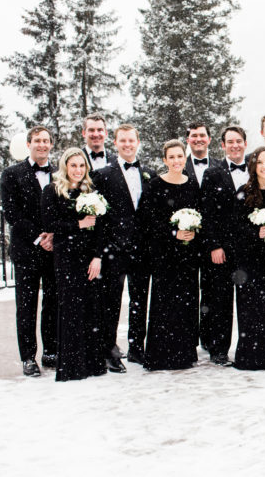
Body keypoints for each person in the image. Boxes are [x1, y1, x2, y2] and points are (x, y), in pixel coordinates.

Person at [91, 124, 155, 371]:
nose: (128, 144)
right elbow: (100, 218)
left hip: (141, 249)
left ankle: (137, 348)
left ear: (138, 142)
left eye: (132, 140)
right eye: (123, 141)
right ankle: (109, 350)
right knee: (111, 301)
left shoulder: (148, 174)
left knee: (140, 299)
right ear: (115, 143)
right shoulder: (103, 175)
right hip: (114, 250)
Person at [40, 148, 106, 381]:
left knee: (91, 307)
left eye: (81, 166)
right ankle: (72, 365)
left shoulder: (92, 191)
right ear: (65, 167)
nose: (78, 170)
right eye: (73, 165)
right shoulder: (53, 191)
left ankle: (92, 363)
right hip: (67, 257)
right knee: (70, 308)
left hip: (90, 257)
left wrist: (98, 257)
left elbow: (100, 228)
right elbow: (50, 223)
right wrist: (77, 224)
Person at [140, 140, 202, 371]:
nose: (176, 161)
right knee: (164, 303)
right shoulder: (155, 186)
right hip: (165, 254)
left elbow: (200, 215)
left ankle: (183, 353)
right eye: (172, 157)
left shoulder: (192, 185)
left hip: (187, 255)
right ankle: (161, 354)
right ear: (165, 160)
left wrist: (192, 232)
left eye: (179, 156)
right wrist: (173, 233)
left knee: (186, 303)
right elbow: (148, 221)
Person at [0, 126, 57, 377]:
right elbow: (13, 214)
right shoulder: (12, 174)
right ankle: (28, 357)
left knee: (53, 303)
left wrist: (54, 236)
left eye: (46, 141)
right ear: (29, 144)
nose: (42, 145)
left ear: (51, 144)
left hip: (54, 250)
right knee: (26, 305)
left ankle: (51, 351)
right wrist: (38, 237)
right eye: (37, 141)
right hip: (27, 251)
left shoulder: (59, 173)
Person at [198, 125, 249, 366]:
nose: (235, 145)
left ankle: (249, 348)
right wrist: (214, 245)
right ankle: (219, 349)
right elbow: (206, 213)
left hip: (249, 249)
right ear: (223, 146)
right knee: (220, 301)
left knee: (249, 300)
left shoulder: (256, 169)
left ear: (245, 144)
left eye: (239, 141)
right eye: (230, 142)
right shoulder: (212, 173)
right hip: (222, 249)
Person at [231, 146, 265, 370]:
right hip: (248, 259)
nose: (264, 166)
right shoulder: (244, 192)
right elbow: (236, 227)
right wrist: (255, 232)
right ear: (253, 165)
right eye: (260, 162)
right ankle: (249, 355)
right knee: (249, 307)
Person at [183, 122, 212, 187]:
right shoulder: (180, 167)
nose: (198, 139)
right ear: (187, 140)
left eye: (202, 135)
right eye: (194, 136)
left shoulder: (221, 166)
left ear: (209, 139)